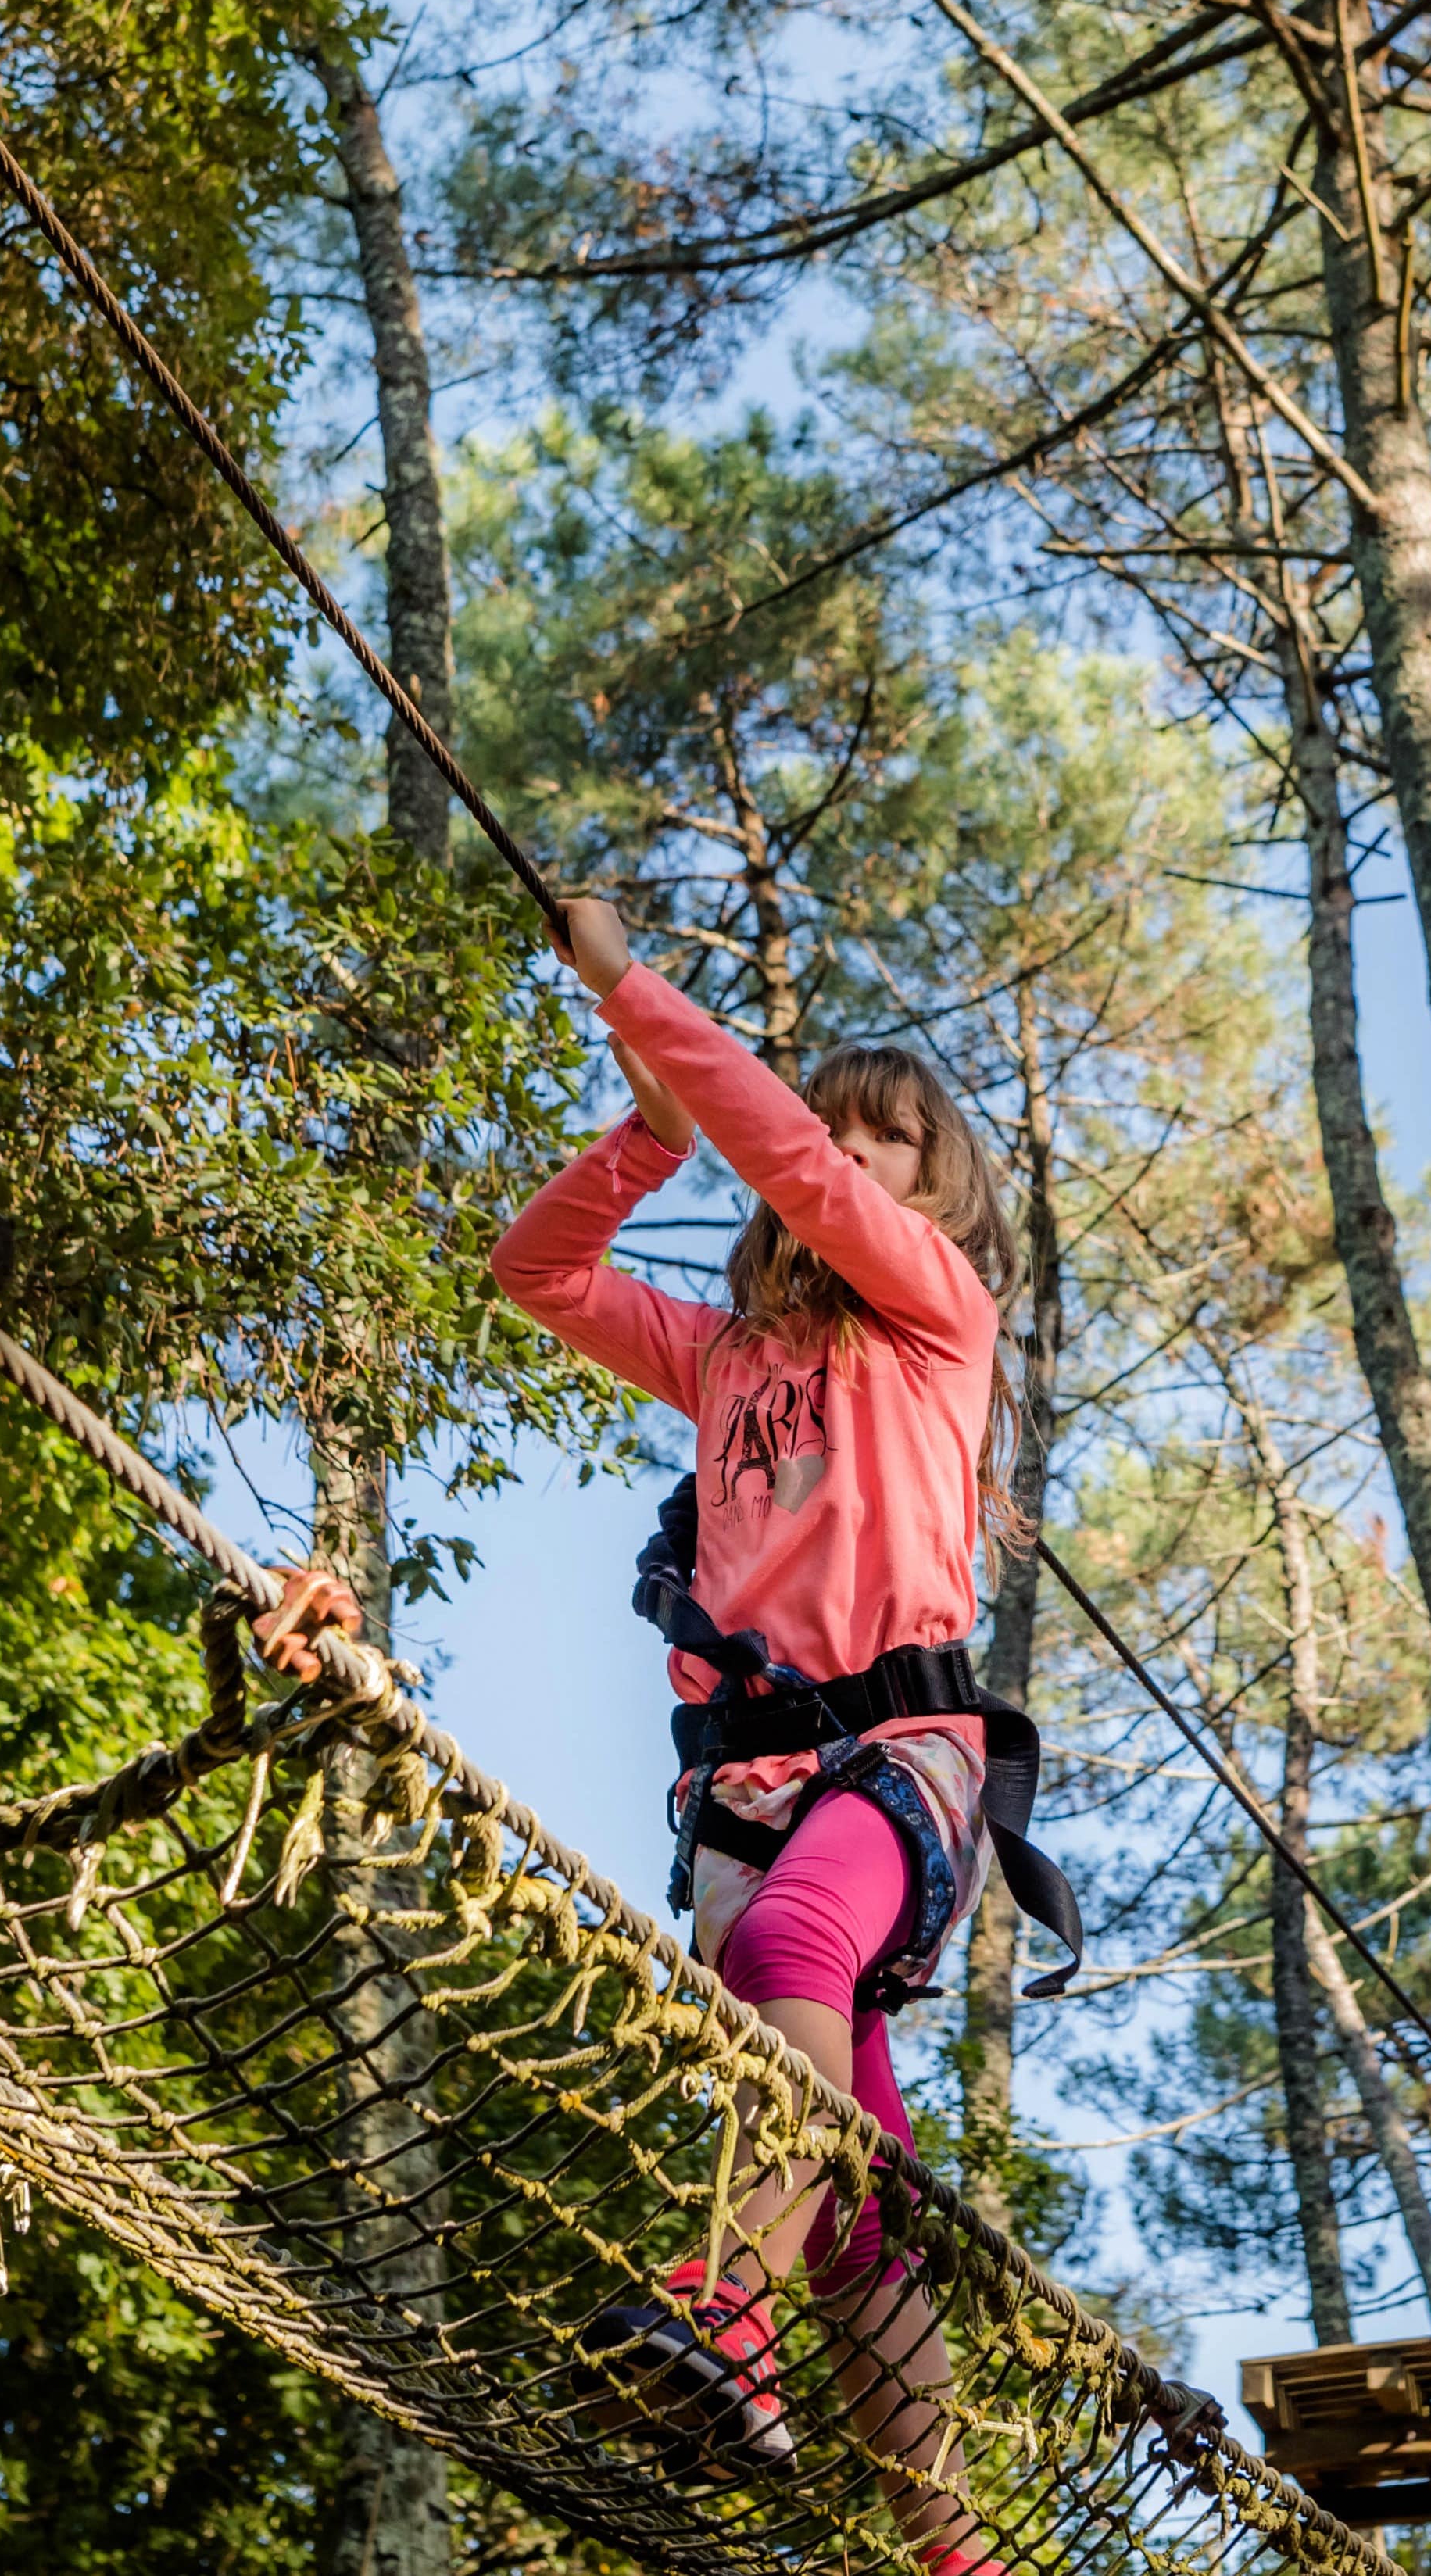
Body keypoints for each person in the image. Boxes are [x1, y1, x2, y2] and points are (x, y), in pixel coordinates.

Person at [259, 896, 1045, 2567]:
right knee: (854, 2220)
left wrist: (629, 985)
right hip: (743, 1789)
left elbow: (806, 1184)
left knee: (797, 1948)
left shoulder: (934, 1322)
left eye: (888, 1143)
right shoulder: (720, 1359)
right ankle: (952, 2552)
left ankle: (723, 2318)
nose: (846, 1154)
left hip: (897, 1759)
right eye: (835, 1126)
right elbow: (531, 1272)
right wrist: (647, 1129)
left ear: (931, 1189)